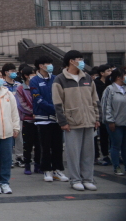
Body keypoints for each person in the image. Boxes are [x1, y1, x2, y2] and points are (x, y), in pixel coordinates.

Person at [53, 50, 99, 192]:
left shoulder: (87, 78)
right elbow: (58, 103)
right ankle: (75, 179)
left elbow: (95, 99)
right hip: (72, 122)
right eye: (79, 59)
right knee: (73, 153)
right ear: (71, 61)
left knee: (88, 153)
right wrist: (63, 122)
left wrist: (97, 118)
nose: (81, 62)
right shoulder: (60, 79)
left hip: (89, 120)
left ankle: (88, 179)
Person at [30, 55, 68, 183]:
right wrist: (54, 109)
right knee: (45, 146)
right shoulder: (34, 80)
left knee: (57, 145)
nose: (50, 66)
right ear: (41, 66)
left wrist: (59, 111)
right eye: (48, 63)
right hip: (42, 118)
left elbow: (61, 95)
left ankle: (58, 169)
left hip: (56, 119)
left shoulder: (56, 79)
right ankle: (47, 170)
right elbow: (38, 99)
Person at [16, 66, 41, 175]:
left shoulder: (38, 86)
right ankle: (27, 165)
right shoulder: (21, 88)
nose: (34, 76)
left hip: (39, 119)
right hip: (28, 119)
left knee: (39, 144)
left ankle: (38, 165)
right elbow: (21, 104)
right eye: (32, 74)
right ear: (26, 76)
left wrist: (39, 111)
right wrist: (33, 112)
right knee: (27, 144)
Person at [101, 68, 126, 176]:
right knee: (116, 145)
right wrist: (110, 120)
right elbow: (106, 106)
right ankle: (116, 167)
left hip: (125, 122)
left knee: (125, 146)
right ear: (118, 77)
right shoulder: (110, 89)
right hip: (115, 123)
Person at [1, 63, 23, 167]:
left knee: (19, 136)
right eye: (12, 71)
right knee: (7, 136)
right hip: (5, 114)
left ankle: (19, 156)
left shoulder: (18, 85)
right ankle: (8, 158)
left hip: (17, 114)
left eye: (15, 71)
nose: (14, 73)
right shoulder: (2, 85)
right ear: (6, 72)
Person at [94, 64, 112, 166]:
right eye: (108, 71)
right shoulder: (96, 84)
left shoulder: (110, 83)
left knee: (110, 135)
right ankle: (104, 155)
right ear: (102, 73)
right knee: (103, 135)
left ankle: (111, 154)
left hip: (110, 112)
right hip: (100, 112)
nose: (110, 73)